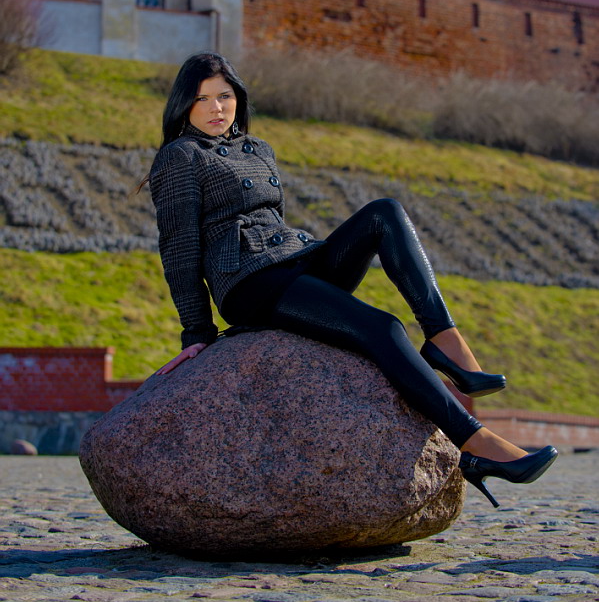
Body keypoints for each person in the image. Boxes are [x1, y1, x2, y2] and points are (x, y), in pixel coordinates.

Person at [148, 51, 557, 509]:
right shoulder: (179, 157)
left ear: (238, 98)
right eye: (202, 99)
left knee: (385, 213)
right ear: (184, 104)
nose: (216, 108)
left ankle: (444, 338)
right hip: (249, 281)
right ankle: (475, 444)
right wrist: (196, 331)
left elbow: (272, 222)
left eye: (224, 96)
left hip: (292, 259)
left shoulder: (258, 148)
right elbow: (179, 248)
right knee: (383, 327)